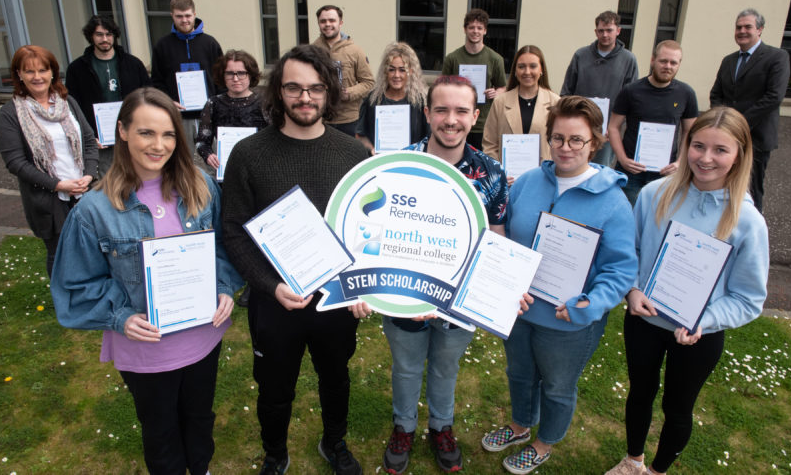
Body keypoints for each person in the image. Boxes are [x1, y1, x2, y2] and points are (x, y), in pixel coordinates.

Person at [49, 87, 243, 475]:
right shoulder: (94, 210)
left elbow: (224, 247)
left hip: (202, 336)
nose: (159, 145)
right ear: (122, 131)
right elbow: (74, 286)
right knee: (160, 433)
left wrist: (223, 288)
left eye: (168, 134)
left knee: (200, 419)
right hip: (146, 348)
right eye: (146, 133)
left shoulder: (201, 188)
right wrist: (120, 317)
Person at [221, 45, 369, 475]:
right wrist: (269, 287)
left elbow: (365, 234)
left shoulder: (354, 155)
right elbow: (233, 229)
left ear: (329, 93)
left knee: (336, 378)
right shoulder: (248, 154)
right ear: (277, 91)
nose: (305, 98)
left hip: (335, 302)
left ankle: (335, 442)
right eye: (294, 88)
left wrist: (366, 284)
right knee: (273, 388)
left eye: (315, 89)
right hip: (275, 302)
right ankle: (274, 453)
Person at [605, 107, 768, 475]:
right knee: (640, 394)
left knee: (678, 408)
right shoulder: (654, 193)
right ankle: (633, 460)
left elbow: (748, 298)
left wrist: (705, 320)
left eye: (720, 150)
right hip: (644, 321)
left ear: (740, 154)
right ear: (686, 145)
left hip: (697, 336)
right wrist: (630, 290)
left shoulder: (747, 220)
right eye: (698, 146)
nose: (706, 158)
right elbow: (626, 250)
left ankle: (658, 470)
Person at [481, 95, 636, 474]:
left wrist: (592, 303)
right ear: (547, 139)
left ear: (595, 143)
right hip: (519, 310)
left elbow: (620, 269)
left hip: (567, 320)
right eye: (558, 138)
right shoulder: (528, 182)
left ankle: (543, 442)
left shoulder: (614, 202)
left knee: (556, 386)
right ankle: (520, 425)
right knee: (519, 374)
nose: (565, 148)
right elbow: (506, 238)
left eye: (576, 140)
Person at [382, 75, 508, 474]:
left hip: (459, 301)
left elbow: (497, 240)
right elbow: (379, 237)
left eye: (460, 111)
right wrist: (402, 294)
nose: (450, 120)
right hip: (406, 296)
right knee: (405, 367)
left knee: (445, 368)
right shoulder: (399, 166)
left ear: (474, 115)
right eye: (441, 110)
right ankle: (403, 426)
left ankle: (441, 426)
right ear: (427, 114)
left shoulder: (491, 173)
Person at [0, 45, 98, 277]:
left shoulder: (67, 103)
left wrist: (89, 175)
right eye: (29, 71)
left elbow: (89, 142)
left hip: (84, 191)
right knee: (60, 255)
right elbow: (16, 163)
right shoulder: (10, 114)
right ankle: (65, 305)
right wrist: (58, 184)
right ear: (19, 74)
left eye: (43, 70)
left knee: (92, 250)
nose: (37, 77)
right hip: (49, 200)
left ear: (53, 72)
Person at [709, 8, 790, 213]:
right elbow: (716, 94)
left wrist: (738, 124)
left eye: (748, 27)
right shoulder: (729, 60)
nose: (742, 31)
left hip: (756, 137)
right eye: (738, 27)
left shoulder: (776, 57)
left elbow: (774, 97)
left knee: (751, 190)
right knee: (723, 184)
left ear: (760, 30)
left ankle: (751, 233)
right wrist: (724, 123)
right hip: (727, 136)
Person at [608, 40, 698, 205]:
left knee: (657, 219)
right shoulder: (631, 91)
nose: (668, 66)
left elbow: (690, 132)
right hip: (631, 170)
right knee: (625, 216)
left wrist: (680, 162)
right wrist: (622, 159)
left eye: (673, 62)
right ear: (653, 60)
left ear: (679, 64)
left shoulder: (686, 93)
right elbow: (613, 127)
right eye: (663, 61)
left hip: (664, 173)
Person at [65, 14, 151, 176]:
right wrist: (87, 135)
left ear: (115, 36)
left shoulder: (133, 64)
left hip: (132, 133)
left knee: (138, 176)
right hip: (99, 139)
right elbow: (72, 107)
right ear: (91, 36)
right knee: (109, 180)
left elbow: (148, 97)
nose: (104, 39)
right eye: (99, 34)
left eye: (108, 34)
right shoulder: (77, 69)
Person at [560, 10, 638, 167]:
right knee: (574, 165)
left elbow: (631, 99)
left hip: (608, 131)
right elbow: (567, 92)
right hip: (579, 125)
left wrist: (615, 126)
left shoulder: (628, 60)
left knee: (600, 170)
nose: (605, 35)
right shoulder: (581, 56)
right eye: (601, 31)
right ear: (596, 32)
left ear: (618, 31)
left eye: (609, 30)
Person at [151, 0, 223, 156]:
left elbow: (221, 78)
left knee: (214, 161)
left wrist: (219, 104)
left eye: (188, 16)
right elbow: (157, 81)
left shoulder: (210, 43)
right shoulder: (162, 46)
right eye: (179, 16)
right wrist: (168, 101)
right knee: (183, 161)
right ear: (172, 16)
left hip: (210, 116)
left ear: (194, 14)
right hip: (179, 118)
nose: (184, 20)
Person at [482, 44, 560, 181]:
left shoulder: (555, 102)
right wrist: (499, 172)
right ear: (515, 71)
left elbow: (560, 144)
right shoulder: (500, 102)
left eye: (533, 66)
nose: (527, 71)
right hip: (508, 181)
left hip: (544, 179)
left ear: (541, 69)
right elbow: (489, 145)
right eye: (522, 66)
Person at [441, 8, 507, 150]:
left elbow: (503, 87)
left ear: (485, 31)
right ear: (465, 30)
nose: (475, 31)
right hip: (457, 121)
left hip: (484, 122)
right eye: (471, 27)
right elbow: (441, 88)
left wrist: (496, 93)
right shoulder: (452, 58)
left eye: (479, 28)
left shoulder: (495, 59)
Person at [195, 49, 268, 169]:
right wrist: (208, 155)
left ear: (250, 75)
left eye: (241, 73)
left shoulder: (264, 103)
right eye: (229, 73)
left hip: (259, 169)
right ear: (222, 75)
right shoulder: (212, 104)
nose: (235, 78)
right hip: (227, 170)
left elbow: (277, 138)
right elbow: (201, 142)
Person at [312, 4, 375, 137]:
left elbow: (369, 82)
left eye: (332, 20)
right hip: (321, 119)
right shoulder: (312, 51)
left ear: (340, 23)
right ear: (318, 23)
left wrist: (349, 93)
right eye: (323, 21)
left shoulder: (355, 50)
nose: (327, 24)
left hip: (349, 120)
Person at [356, 42, 429, 153]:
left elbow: (430, 138)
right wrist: (371, 149)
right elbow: (360, 135)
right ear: (385, 71)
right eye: (392, 69)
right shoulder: (373, 100)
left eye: (402, 70)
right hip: (381, 163)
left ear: (411, 71)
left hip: (412, 164)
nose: (396, 75)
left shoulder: (421, 102)